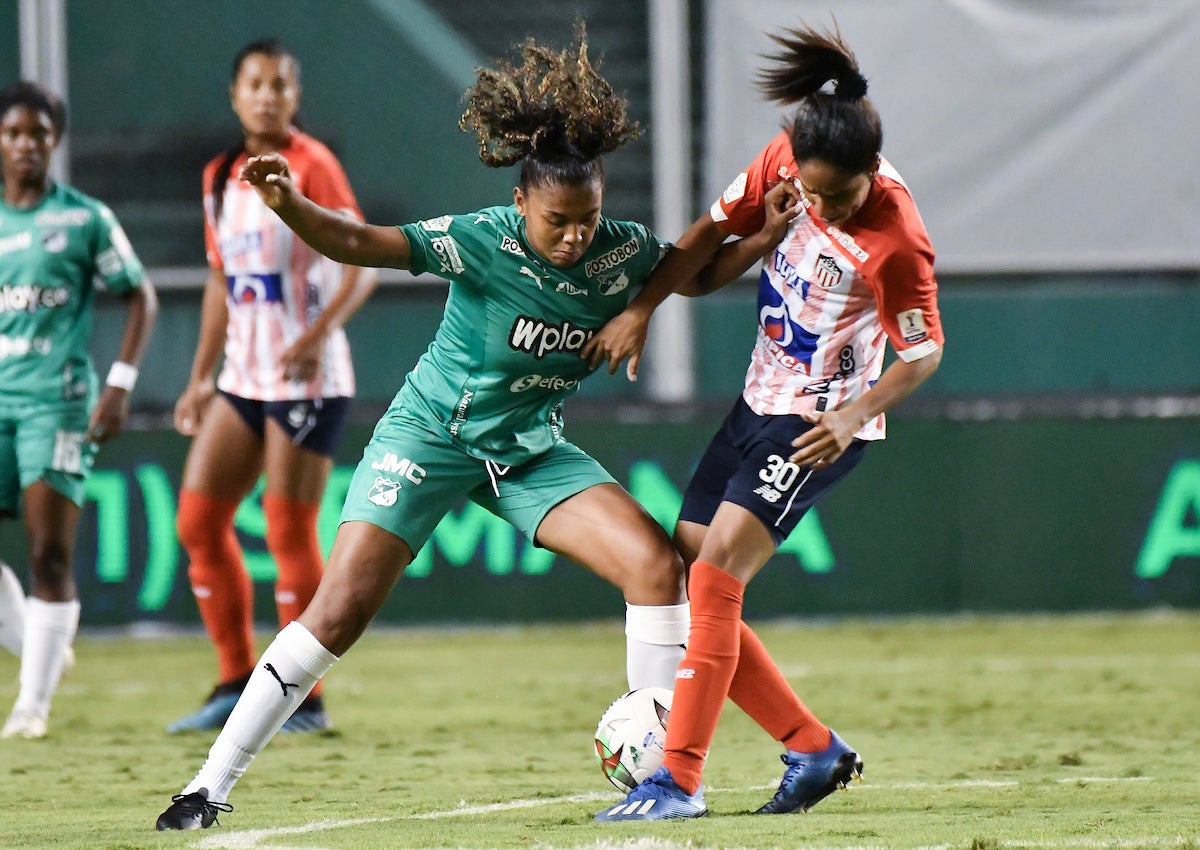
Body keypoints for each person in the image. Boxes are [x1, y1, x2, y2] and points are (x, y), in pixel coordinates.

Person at [155, 27, 710, 829]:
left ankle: (661, 776)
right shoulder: (481, 238)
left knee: (658, 568)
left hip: (526, 450)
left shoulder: (618, 253)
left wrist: (753, 224)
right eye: (557, 220)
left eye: (586, 219)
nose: (574, 236)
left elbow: (701, 265)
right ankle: (207, 786)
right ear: (522, 202)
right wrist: (289, 205)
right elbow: (356, 241)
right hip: (431, 438)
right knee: (338, 609)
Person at [589, 22, 945, 820]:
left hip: (817, 426)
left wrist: (855, 414)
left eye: (839, 197)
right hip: (757, 402)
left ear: (872, 176)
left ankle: (676, 778)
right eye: (815, 192)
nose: (822, 206)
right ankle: (813, 748)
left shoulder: (896, 240)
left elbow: (923, 354)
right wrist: (645, 306)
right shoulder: (784, 164)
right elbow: (703, 251)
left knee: (715, 580)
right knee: (690, 574)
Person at [167, 38, 378, 736]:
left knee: (288, 531)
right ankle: (234, 680)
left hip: (306, 378)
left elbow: (362, 262)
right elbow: (222, 282)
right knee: (198, 522)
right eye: (255, 84)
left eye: (280, 85)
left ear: (295, 96)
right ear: (234, 95)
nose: (267, 96)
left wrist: (318, 336)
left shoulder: (313, 164)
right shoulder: (218, 174)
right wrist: (200, 378)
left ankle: (302, 698)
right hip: (242, 378)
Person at [0, 80, 157, 739]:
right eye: (14, 133)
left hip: (57, 404)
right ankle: (39, 651)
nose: (26, 144)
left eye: (38, 133)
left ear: (53, 141)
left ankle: (30, 707)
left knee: (49, 557)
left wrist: (118, 385)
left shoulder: (84, 218)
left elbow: (140, 295)